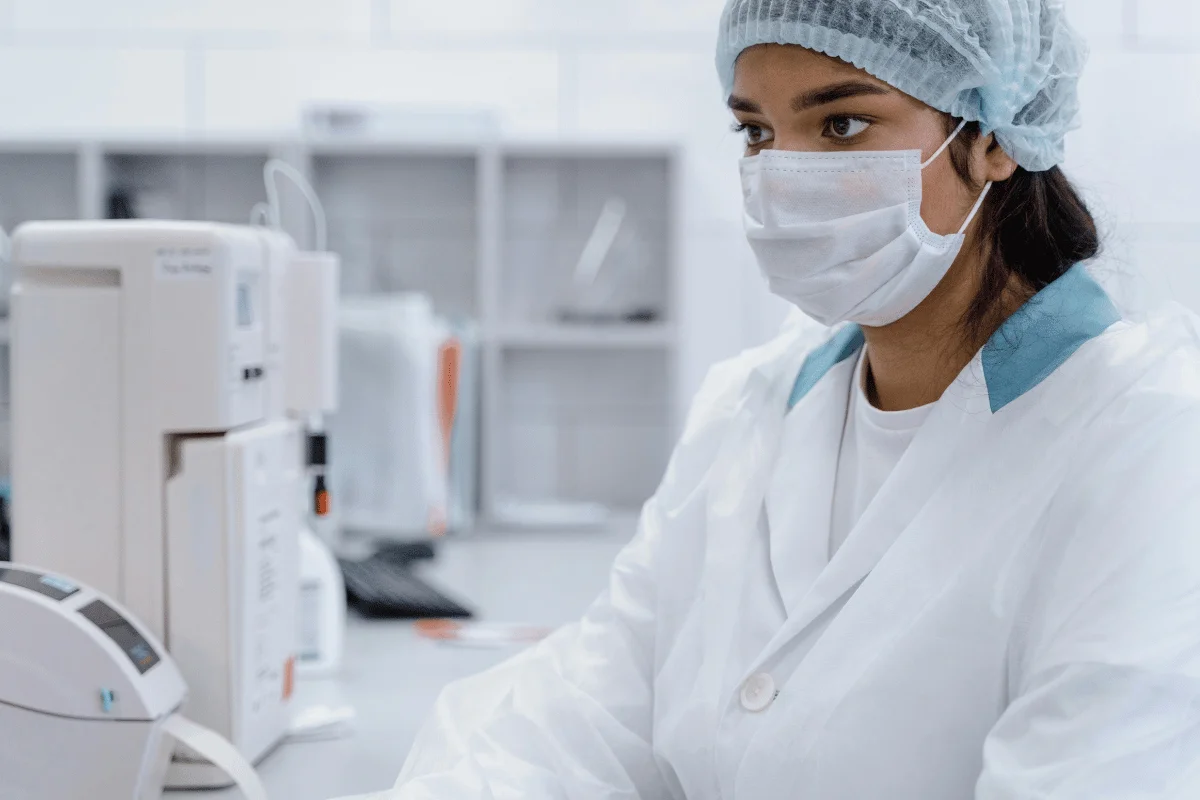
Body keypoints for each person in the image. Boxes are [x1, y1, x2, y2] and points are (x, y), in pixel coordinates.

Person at [370, 2, 1200, 797]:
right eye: (756, 132)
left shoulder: (1147, 445)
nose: (784, 176)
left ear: (993, 137)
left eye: (842, 124)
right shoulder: (751, 406)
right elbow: (584, 722)